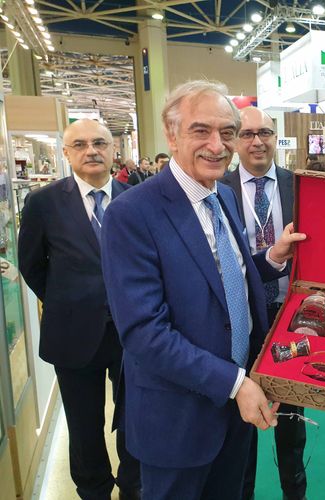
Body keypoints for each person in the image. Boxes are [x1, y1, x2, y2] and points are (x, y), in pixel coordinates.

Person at [100, 80, 305, 500]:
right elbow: (144, 333)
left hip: (235, 410)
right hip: (178, 419)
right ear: (171, 134)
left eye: (227, 132)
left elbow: (226, 278)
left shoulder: (223, 196)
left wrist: (272, 258)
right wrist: (235, 383)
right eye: (201, 130)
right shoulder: (132, 213)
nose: (217, 145)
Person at [18, 119, 141, 500]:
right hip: (72, 334)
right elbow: (31, 265)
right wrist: (67, 301)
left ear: (113, 150)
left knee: (135, 417)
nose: (92, 151)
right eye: (81, 144)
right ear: (66, 152)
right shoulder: (43, 203)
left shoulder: (136, 198)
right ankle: (93, 490)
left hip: (133, 332)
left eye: (100, 143)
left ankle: (133, 486)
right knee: (84, 425)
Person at [221, 107, 307, 500]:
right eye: (248, 133)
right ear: (236, 140)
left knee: (291, 420)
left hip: (292, 318)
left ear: (276, 137)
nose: (257, 141)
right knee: (241, 423)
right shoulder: (217, 190)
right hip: (240, 321)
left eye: (266, 133)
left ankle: (295, 491)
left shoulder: (300, 186)